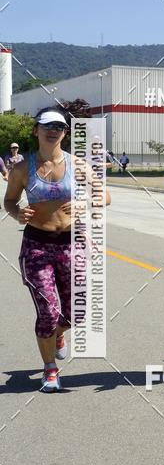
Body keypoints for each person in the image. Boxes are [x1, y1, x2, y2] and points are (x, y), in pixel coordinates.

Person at [3, 107, 111, 392]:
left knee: (76, 314)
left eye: (60, 127)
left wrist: (83, 204)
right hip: (37, 247)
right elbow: (10, 201)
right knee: (48, 313)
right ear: (36, 130)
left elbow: (105, 196)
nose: (54, 130)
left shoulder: (78, 165)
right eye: (47, 125)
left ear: (65, 133)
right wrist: (17, 213)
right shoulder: (22, 168)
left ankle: (58, 336)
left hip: (72, 245)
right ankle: (50, 368)